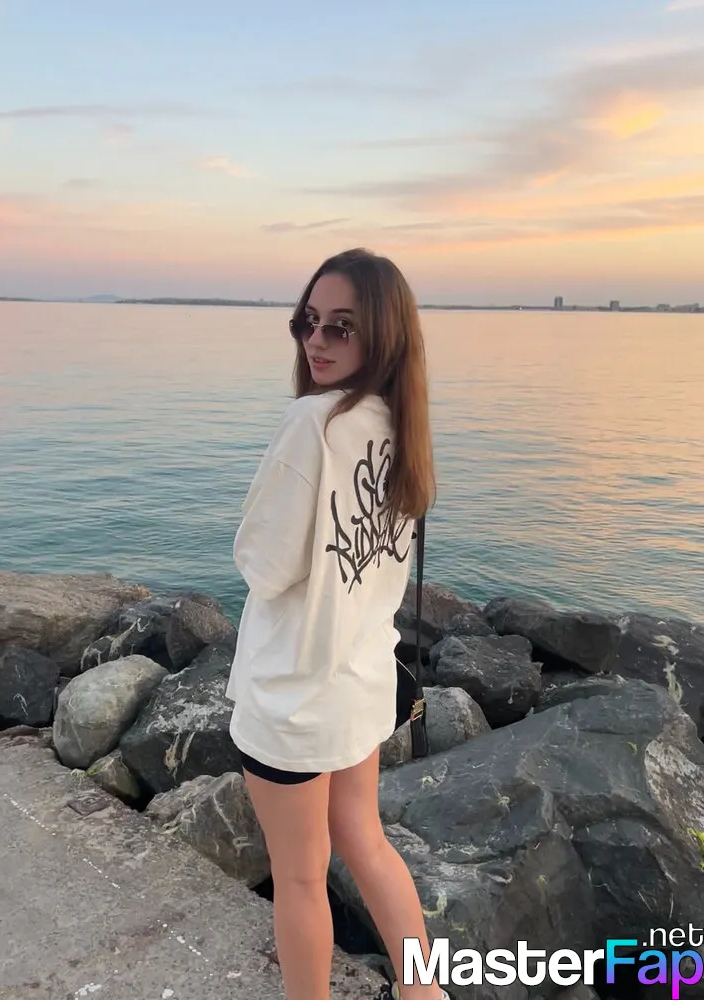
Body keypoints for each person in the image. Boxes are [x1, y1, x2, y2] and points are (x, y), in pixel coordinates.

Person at [225, 248, 448, 1000]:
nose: (316, 340)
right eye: (308, 322)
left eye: (341, 327)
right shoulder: (401, 427)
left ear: (382, 334)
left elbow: (264, 565)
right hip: (361, 683)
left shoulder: (313, 424)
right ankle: (423, 991)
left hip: (295, 696)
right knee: (367, 843)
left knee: (298, 876)